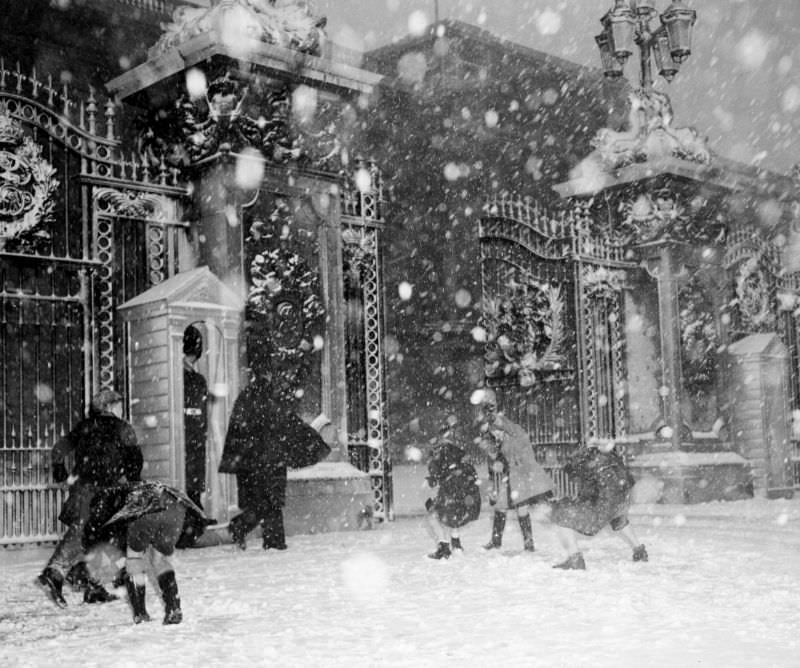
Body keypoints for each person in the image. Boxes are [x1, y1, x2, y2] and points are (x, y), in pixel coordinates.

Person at [36, 389, 142, 607]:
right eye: (119, 406)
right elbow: (135, 462)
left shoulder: (85, 426)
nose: (121, 410)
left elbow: (58, 450)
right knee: (93, 534)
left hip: (83, 488)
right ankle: (55, 573)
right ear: (111, 406)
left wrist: (61, 473)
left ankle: (91, 586)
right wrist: (133, 481)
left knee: (89, 534)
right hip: (107, 491)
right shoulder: (123, 428)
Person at [219, 371, 331, 551]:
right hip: (272, 462)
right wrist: (312, 442)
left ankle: (254, 533)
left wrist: (240, 460)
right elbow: (290, 425)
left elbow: (238, 432)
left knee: (263, 504)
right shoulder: (272, 399)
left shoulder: (246, 398)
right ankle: (268, 540)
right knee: (271, 503)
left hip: (253, 463)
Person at [548, 440, 648, 570]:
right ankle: (639, 550)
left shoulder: (582, 462)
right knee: (617, 517)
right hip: (622, 497)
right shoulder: (604, 454)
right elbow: (627, 479)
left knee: (560, 513)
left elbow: (588, 493)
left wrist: (570, 502)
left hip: (605, 501)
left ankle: (575, 559)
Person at [481, 413, 554, 553]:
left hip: (524, 475)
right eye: (493, 432)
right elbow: (504, 460)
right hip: (511, 476)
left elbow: (508, 426)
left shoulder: (516, 432)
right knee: (500, 506)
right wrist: (497, 461)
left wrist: (496, 419)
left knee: (522, 509)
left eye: (496, 431)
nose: (495, 435)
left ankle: (528, 543)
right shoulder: (501, 441)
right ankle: (496, 541)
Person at [176, 324, 212, 548]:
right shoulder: (196, 380)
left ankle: (190, 524)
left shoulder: (187, 378)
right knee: (192, 485)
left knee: (189, 485)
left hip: (190, 437)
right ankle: (191, 526)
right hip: (194, 437)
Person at [424, 427, 481, 560]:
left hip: (455, 492)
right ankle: (456, 544)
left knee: (435, 517)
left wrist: (435, 478)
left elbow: (440, 475)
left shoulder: (443, 454)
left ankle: (444, 548)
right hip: (466, 494)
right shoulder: (457, 453)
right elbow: (470, 473)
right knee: (451, 518)